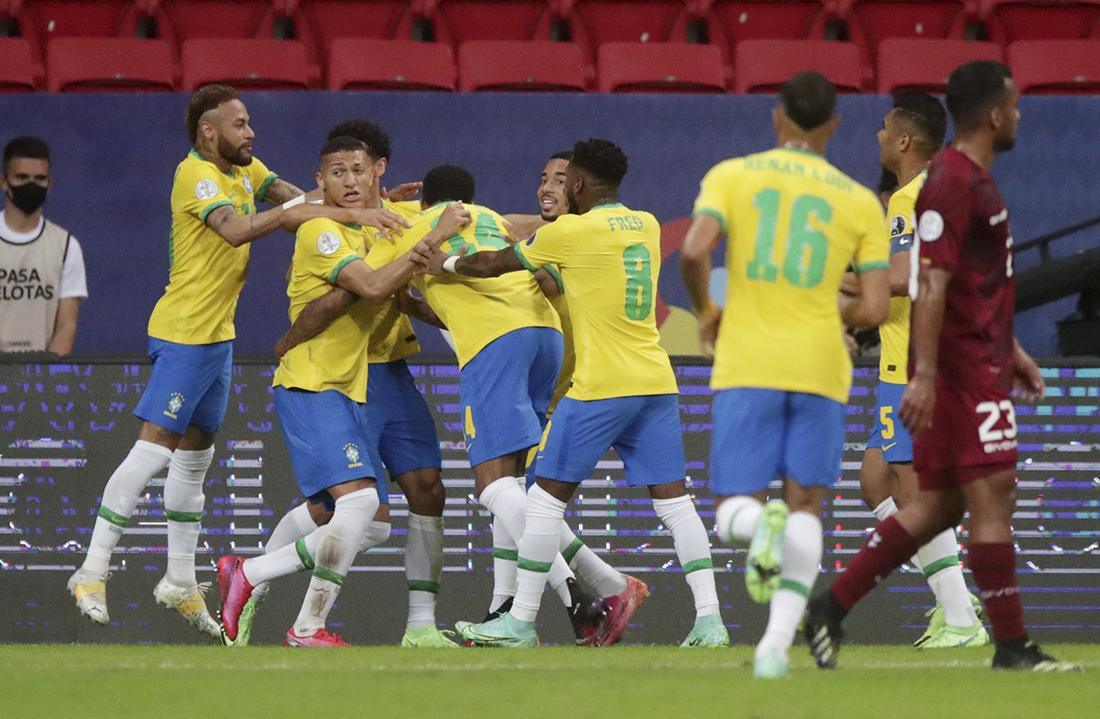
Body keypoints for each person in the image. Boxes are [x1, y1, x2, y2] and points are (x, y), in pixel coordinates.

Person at [65, 85, 408, 637]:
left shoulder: (246, 171)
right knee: (153, 452)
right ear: (209, 131)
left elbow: (298, 196)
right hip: (185, 332)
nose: (251, 134)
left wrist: (368, 209)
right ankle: (92, 567)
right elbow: (236, 229)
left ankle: (179, 580)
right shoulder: (195, 175)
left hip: (217, 336)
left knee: (194, 461)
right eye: (241, 124)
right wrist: (321, 213)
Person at [803, 61, 1081, 673]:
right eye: (1014, 105)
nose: (1019, 116)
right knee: (988, 497)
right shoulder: (952, 183)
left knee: (936, 506)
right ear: (994, 114)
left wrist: (1011, 349)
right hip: (957, 374)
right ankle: (1008, 645)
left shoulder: (965, 181)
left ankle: (831, 608)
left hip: (974, 362)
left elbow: (972, 286)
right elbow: (926, 282)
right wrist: (925, 373)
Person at [418, 139, 727, 649]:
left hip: (601, 387)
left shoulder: (571, 232)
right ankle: (710, 620)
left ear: (579, 183)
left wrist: (444, 267)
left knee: (540, 504)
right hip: (656, 380)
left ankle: (519, 622)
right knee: (676, 505)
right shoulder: (646, 224)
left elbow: (493, 263)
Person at [216, 136, 467, 647]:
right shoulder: (323, 231)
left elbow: (390, 289)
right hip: (317, 380)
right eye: (338, 173)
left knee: (371, 519)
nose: (350, 181)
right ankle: (272, 596)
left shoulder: (380, 223)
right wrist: (432, 237)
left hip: (356, 378)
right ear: (320, 182)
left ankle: (258, 583)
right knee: (352, 510)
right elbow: (368, 288)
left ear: (378, 171)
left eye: (358, 170)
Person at [679, 72, 890, 678]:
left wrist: (708, 312)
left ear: (776, 118)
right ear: (834, 125)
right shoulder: (857, 199)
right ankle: (774, 650)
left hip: (749, 357)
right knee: (806, 507)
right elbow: (875, 307)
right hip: (823, 365)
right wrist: (830, 311)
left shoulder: (734, 175)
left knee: (732, 512)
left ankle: (754, 526)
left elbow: (694, 251)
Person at [485, 150, 650, 647]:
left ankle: (599, 590)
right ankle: (512, 607)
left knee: (521, 501)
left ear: (581, 186)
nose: (547, 187)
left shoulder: (572, 245)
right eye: (542, 178)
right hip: (551, 396)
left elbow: (521, 252)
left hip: (580, 397)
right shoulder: (558, 236)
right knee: (514, 498)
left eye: (561, 179)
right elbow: (513, 224)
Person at [857, 91, 986, 649]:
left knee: (913, 491)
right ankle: (953, 598)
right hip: (924, 356)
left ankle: (959, 614)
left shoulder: (908, 198)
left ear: (906, 140)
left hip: (910, 361)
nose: (880, 137)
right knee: (875, 478)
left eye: (885, 129)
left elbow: (907, 275)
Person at [0, 136, 87, 354]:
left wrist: (44, 377)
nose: (31, 184)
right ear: (4, 181)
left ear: (49, 183)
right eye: (21, 177)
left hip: (37, 381)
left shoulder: (66, 246)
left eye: (39, 178)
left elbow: (67, 324)